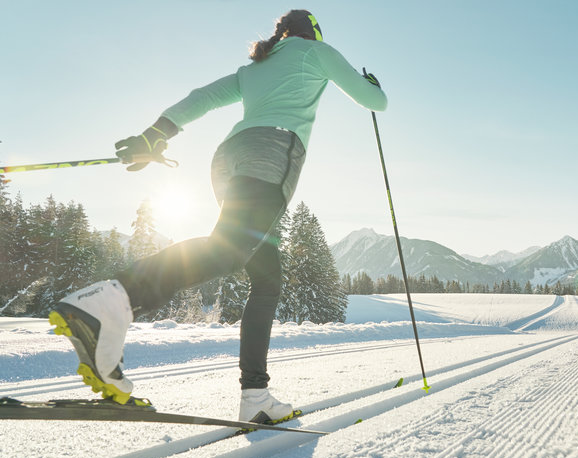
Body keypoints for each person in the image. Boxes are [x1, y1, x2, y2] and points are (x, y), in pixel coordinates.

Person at [49, 9, 387, 424]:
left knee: (266, 279)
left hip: (228, 160)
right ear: (311, 33)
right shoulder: (317, 51)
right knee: (226, 250)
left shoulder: (256, 67)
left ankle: (256, 396)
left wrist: (156, 133)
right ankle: (110, 300)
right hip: (271, 153)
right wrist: (371, 83)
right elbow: (376, 102)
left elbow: (203, 97)